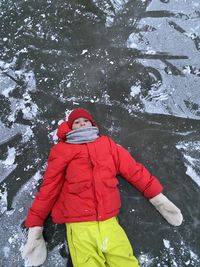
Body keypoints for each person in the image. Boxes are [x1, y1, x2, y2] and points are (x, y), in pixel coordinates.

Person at [22, 108, 183, 267]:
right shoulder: (62, 150)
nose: (82, 124)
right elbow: (49, 188)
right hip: (79, 224)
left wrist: (158, 199)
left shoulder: (107, 145)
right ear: (71, 127)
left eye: (86, 121)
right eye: (77, 122)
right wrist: (36, 228)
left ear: (92, 124)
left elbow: (134, 171)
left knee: (125, 260)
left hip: (108, 220)